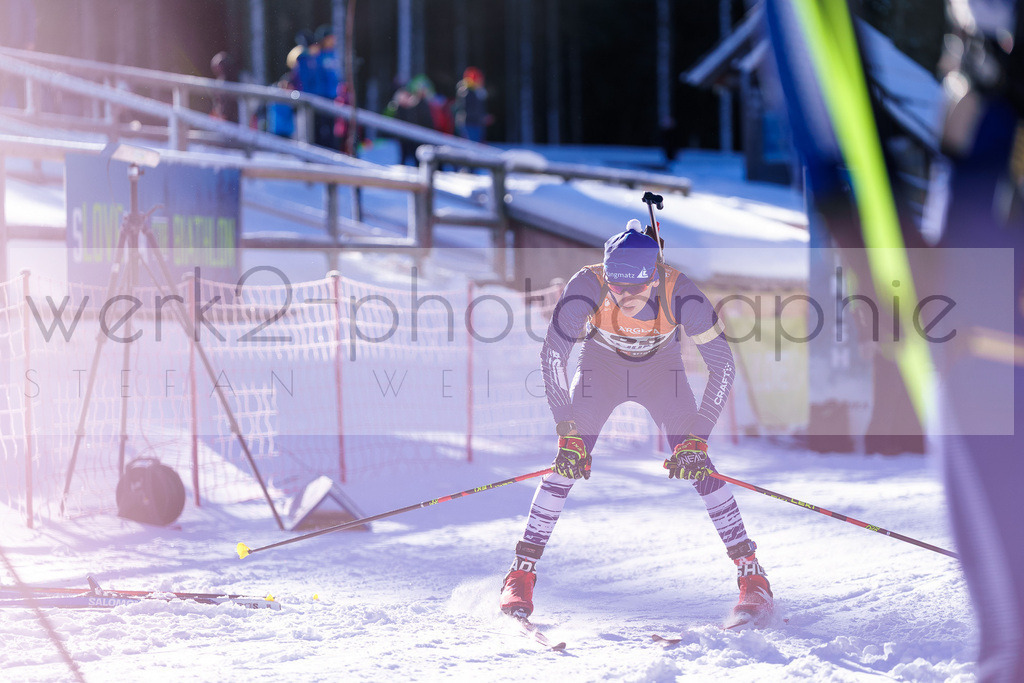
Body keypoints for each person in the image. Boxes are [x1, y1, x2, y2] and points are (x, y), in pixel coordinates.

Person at [499, 220, 774, 627]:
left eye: (636, 287)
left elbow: (722, 365)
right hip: (600, 370)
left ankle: (752, 576)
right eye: (617, 286)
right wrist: (567, 432)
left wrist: (697, 438)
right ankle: (520, 574)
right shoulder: (588, 284)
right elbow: (553, 355)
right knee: (566, 463)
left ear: (655, 277)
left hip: (661, 374)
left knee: (700, 467)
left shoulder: (681, 291)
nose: (625, 296)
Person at [453, 67, 490, 142]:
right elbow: (466, 108)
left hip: (476, 123)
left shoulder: (478, 92)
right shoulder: (466, 91)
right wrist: (481, 117)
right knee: (470, 145)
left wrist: (483, 117)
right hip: (468, 123)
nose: (481, 81)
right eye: (478, 79)